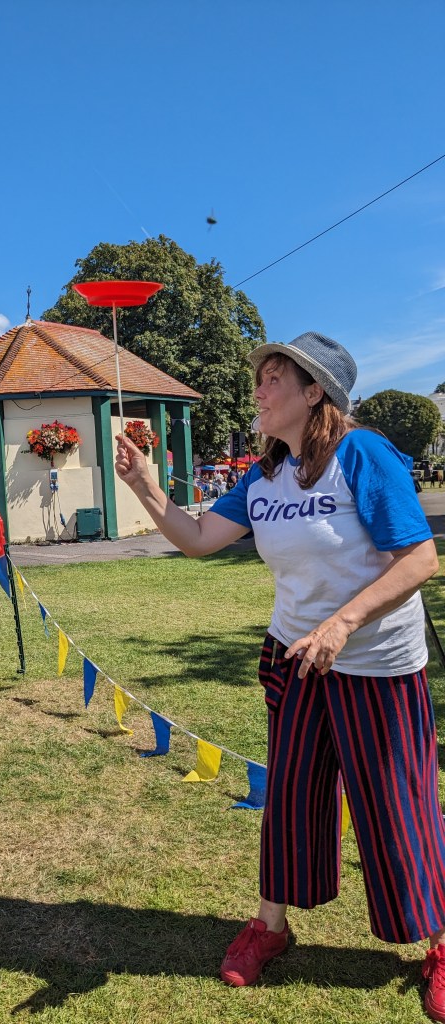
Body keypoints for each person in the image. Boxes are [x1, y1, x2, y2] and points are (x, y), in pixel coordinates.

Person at [114, 332, 445, 1021]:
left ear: (314, 392)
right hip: (295, 661)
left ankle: (440, 943)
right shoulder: (266, 476)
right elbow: (199, 540)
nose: (259, 391)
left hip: (376, 665)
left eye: (273, 379)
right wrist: (144, 485)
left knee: (398, 806)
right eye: (259, 378)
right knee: (292, 799)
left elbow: (419, 560)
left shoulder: (361, 453)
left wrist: (342, 624)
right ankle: (272, 925)